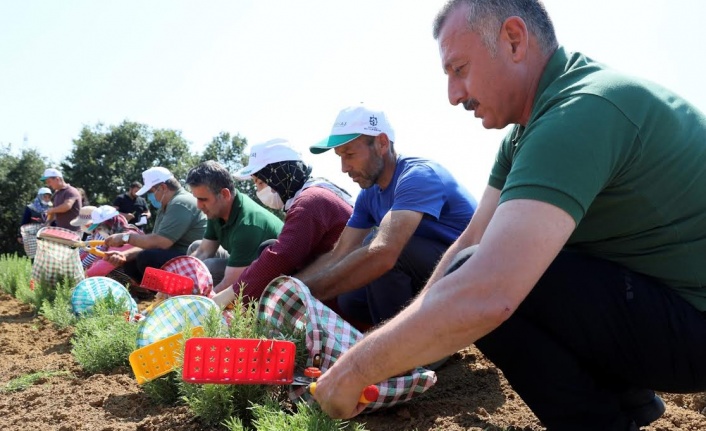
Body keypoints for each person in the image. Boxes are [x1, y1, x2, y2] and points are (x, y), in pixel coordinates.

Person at [311, 1, 706, 430]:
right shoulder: (526, 130)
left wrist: (355, 371)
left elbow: (487, 292)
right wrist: (390, 339)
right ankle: (628, 406)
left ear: (514, 40)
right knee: (475, 267)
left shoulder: (579, 112)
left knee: (493, 282)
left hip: (694, 324)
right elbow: (469, 241)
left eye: (459, 69)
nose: (453, 95)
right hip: (664, 307)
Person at [298, 105, 477, 327]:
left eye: (350, 154)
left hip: (473, 273)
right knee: (351, 298)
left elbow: (385, 252)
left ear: (382, 143)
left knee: (384, 253)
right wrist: (296, 288)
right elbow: (340, 253)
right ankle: (421, 332)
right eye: (339, 157)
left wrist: (309, 295)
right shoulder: (368, 194)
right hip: (432, 274)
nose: (344, 168)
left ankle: (415, 349)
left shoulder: (418, 176)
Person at [212, 138, 354, 309]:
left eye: (260, 182)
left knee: (270, 254)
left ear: (278, 176)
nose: (258, 191)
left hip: (346, 292)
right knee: (267, 247)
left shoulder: (310, 201)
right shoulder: (314, 193)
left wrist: (231, 294)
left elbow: (282, 256)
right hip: (337, 277)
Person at [184, 160, 283, 294]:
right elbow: (204, 251)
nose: (199, 205)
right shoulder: (217, 210)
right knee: (195, 248)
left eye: (203, 199)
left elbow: (231, 284)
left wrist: (199, 303)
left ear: (225, 194)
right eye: (197, 198)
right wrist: (180, 278)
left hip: (275, 279)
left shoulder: (248, 224)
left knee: (208, 268)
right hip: (243, 260)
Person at [102, 167, 206, 282]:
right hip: (181, 256)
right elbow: (153, 243)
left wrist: (124, 238)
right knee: (130, 261)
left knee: (147, 258)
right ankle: (157, 294)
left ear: (163, 187)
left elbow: (160, 243)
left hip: (197, 259)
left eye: (151, 192)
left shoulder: (180, 203)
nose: (150, 197)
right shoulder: (166, 206)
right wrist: (124, 255)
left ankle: (171, 293)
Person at [84, 205, 143, 278]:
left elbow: (102, 267)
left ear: (110, 224)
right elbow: (98, 259)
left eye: (99, 228)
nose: (98, 232)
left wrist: (83, 275)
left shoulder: (125, 238)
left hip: (133, 281)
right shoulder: (115, 237)